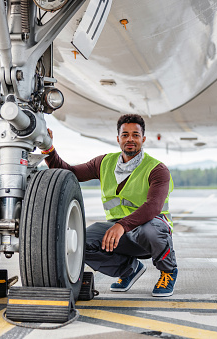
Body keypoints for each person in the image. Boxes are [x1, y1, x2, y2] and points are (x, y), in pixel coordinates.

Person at [43, 114, 178, 297]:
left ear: (143, 139)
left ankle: (168, 271)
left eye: (135, 135)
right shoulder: (104, 162)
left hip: (149, 229)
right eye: (125, 135)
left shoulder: (157, 169)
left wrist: (121, 225)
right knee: (80, 243)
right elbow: (70, 173)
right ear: (118, 139)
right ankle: (129, 269)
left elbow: (153, 207)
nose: (130, 139)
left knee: (150, 230)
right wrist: (49, 149)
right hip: (119, 231)